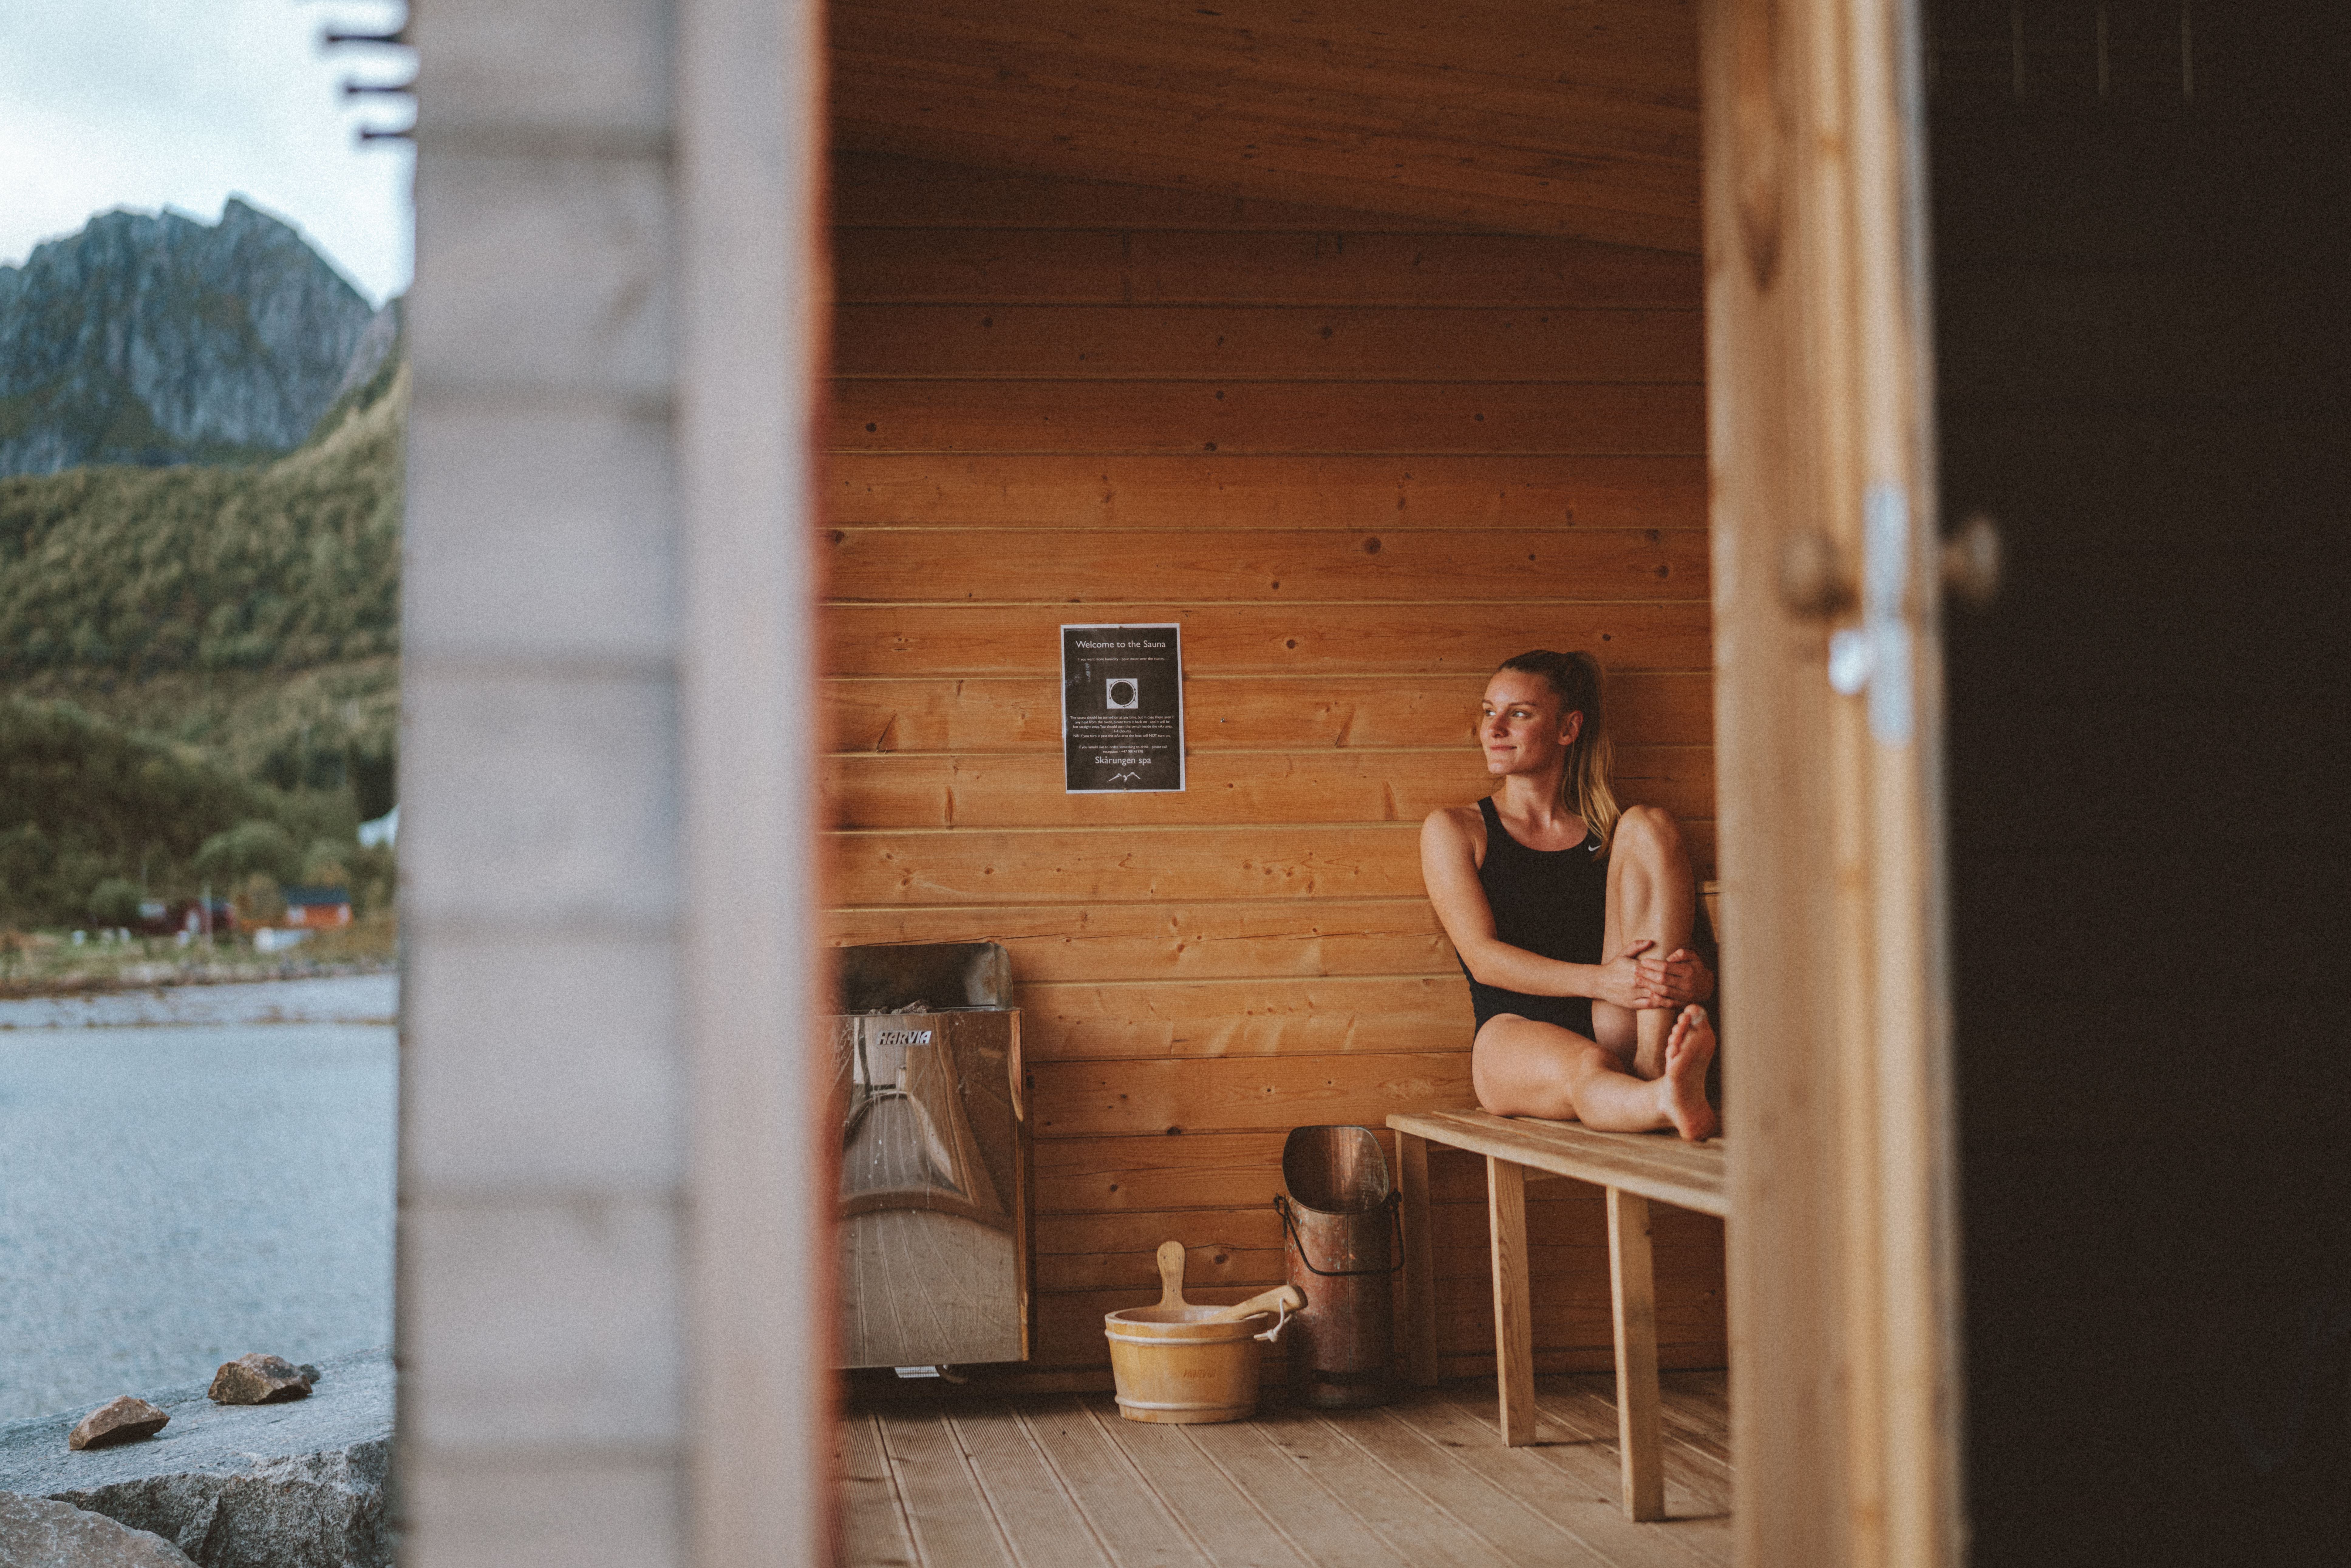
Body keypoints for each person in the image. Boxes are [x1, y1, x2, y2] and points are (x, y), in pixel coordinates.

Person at [1419, 650, 1719, 1140]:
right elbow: (1484, 959)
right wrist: (1602, 982)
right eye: (1489, 711)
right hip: (1511, 1033)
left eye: (1518, 714)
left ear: (1567, 729)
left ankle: (1652, 1065)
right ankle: (1664, 1095)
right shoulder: (1456, 830)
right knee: (1589, 1064)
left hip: (1621, 1018)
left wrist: (1695, 981)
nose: (1494, 729)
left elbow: (1675, 945)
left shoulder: (1608, 834)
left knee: (1652, 824)